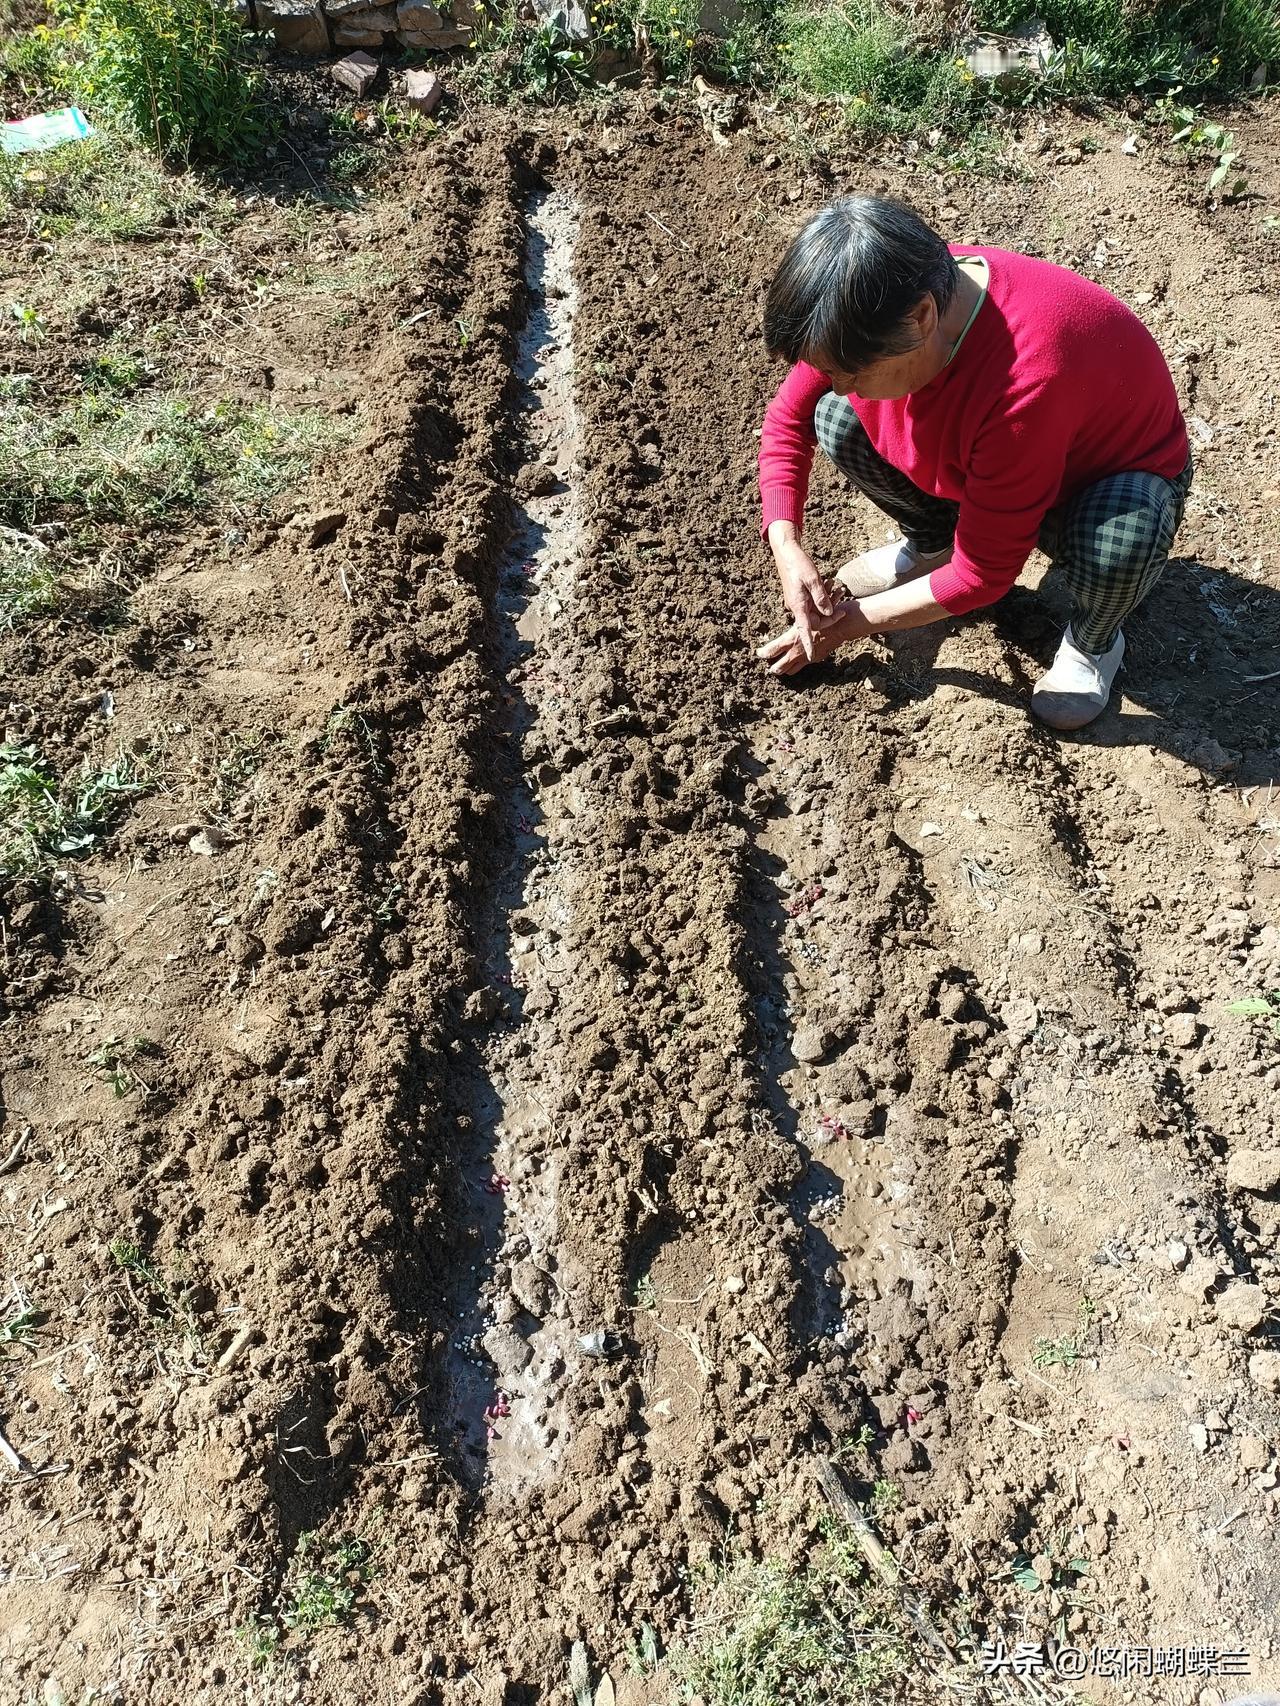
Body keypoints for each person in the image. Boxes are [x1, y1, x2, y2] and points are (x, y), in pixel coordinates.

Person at [754, 195, 1193, 729]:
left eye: (852, 372)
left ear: (921, 318)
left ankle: (1093, 643)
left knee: (1125, 534)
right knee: (837, 418)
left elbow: (984, 575)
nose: (838, 383)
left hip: (1090, 486)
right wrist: (785, 543)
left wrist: (844, 627)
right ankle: (933, 543)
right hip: (1001, 465)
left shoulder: (1023, 385)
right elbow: (787, 419)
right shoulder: (883, 294)